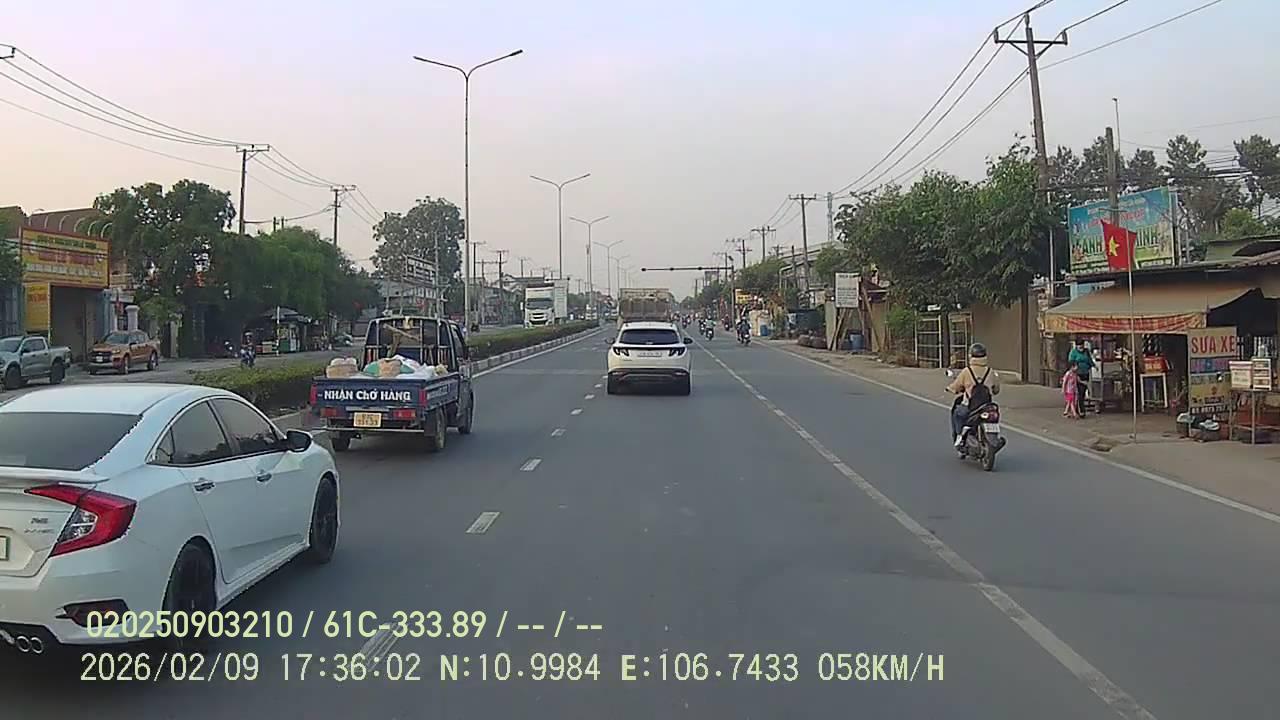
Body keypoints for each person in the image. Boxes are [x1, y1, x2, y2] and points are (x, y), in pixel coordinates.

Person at [946, 342, 1001, 448]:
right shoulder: (990, 371)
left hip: (970, 407)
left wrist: (950, 389)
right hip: (987, 406)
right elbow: (996, 389)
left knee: (958, 414)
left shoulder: (967, 371)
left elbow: (956, 386)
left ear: (971, 356)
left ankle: (959, 437)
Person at [1068, 338, 1095, 417]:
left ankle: (1078, 409)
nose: (1081, 347)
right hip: (1077, 374)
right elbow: (1071, 362)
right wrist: (1074, 369)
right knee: (1079, 392)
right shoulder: (1073, 352)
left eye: (1082, 345)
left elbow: (1089, 360)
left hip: (1085, 373)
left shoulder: (1086, 351)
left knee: (1083, 392)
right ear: (1076, 346)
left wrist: (1094, 366)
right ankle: (1080, 410)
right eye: (1079, 346)